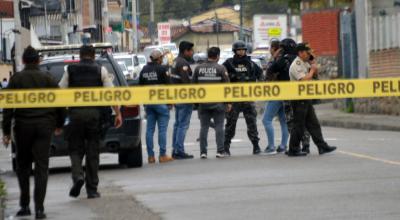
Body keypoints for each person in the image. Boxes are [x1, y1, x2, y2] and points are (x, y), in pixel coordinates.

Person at [2, 46, 66, 219]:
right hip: (44, 127)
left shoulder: (16, 79)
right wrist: (59, 124)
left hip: (22, 127)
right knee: (41, 167)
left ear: (23, 61)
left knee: (23, 167)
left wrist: (6, 131)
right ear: (38, 61)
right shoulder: (48, 78)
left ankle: (24, 205)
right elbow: (60, 102)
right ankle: (39, 208)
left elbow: (8, 107)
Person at [59, 45, 123, 198]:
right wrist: (118, 113)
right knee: (92, 152)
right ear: (93, 56)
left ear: (80, 56)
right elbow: (111, 94)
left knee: (75, 149)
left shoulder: (70, 70)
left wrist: (59, 117)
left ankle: (78, 176)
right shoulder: (100, 70)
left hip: (75, 115)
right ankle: (92, 190)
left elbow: (59, 92)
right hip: (95, 116)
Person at [287, 43, 337, 156]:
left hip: (306, 97)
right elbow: (304, 80)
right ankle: (293, 149)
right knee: (299, 125)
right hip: (298, 98)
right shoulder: (296, 64)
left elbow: (314, 76)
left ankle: (322, 146)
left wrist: (313, 65)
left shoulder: (305, 63)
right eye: (307, 52)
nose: (309, 54)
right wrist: (312, 70)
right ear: (300, 53)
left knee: (313, 123)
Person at [223, 40, 264, 156]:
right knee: (230, 123)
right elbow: (222, 76)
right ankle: (226, 147)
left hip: (248, 98)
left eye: (243, 49)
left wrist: (258, 86)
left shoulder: (250, 63)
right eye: (239, 50)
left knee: (252, 123)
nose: (241, 51)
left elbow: (260, 75)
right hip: (234, 98)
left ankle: (256, 146)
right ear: (235, 51)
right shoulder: (229, 63)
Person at [192, 47, 231, 159]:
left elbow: (193, 86)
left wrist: (196, 102)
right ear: (218, 56)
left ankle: (203, 152)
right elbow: (227, 87)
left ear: (207, 55)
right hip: (218, 103)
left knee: (204, 127)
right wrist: (229, 103)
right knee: (219, 126)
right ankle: (220, 151)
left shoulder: (198, 68)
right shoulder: (221, 68)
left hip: (203, 103)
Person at [262, 38, 296, 155]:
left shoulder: (279, 60)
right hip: (287, 93)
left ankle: (271, 146)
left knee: (266, 120)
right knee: (283, 121)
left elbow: (268, 73)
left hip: (276, 93)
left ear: (274, 49)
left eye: (271, 48)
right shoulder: (290, 59)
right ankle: (282, 146)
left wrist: (273, 58)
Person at [139, 49, 174, 164]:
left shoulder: (144, 70)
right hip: (161, 103)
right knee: (162, 130)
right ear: (158, 59)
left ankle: (150, 156)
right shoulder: (162, 69)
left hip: (149, 103)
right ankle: (162, 155)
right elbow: (169, 86)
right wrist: (170, 102)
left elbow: (140, 87)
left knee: (149, 130)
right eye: (161, 58)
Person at [170, 41, 195, 159]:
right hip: (184, 98)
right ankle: (179, 150)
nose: (192, 53)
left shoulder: (175, 61)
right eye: (191, 51)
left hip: (176, 96)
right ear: (185, 51)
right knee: (183, 125)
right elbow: (187, 82)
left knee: (178, 124)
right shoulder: (183, 63)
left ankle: (175, 150)